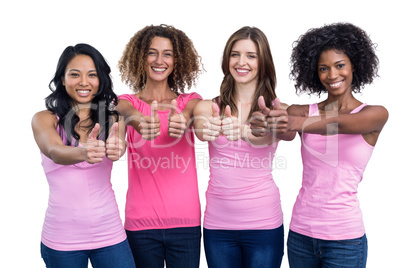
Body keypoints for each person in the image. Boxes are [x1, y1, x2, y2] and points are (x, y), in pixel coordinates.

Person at [250, 22, 388, 268]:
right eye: (323, 68)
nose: (332, 75)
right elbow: (286, 132)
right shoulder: (302, 112)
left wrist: (293, 120)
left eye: (340, 65)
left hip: (345, 240)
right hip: (301, 235)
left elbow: (340, 123)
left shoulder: (374, 115)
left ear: (355, 64)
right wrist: (267, 124)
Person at [193, 26, 293, 268]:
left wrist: (245, 132)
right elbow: (200, 128)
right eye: (235, 54)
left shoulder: (278, 109)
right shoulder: (208, 107)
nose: (241, 62)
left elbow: (275, 134)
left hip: (263, 224)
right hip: (218, 225)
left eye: (251, 55)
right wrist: (205, 129)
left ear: (263, 62)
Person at [31, 43, 135, 268]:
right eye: (75, 74)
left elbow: (118, 146)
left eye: (92, 75)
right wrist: (83, 152)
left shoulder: (113, 119)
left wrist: (120, 148)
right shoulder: (44, 119)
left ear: (101, 80)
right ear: (62, 79)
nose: (84, 82)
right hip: (62, 238)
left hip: (110, 233)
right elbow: (54, 151)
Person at [115, 24, 204, 268]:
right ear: (140, 57)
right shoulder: (127, 102)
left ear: (178, 60)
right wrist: (139, 120)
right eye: (152, 52)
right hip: (140, 224)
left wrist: (185, 118)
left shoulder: (190, 101)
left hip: (185, 222)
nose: (159, 60)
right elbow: (124, 110)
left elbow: (194, 109)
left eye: (168, 54)